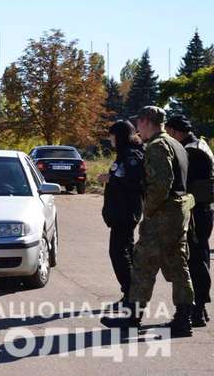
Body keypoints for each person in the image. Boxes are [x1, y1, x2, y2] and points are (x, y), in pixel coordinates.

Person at [102, 107, 195, 337]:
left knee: (143, 265)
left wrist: (149, 210)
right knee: (178, 265)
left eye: (139, 124)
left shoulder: (157, 146)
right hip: (179, 212)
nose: (138, 130)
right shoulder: (176, 144)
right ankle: (184, 319)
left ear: (145, 121)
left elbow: (161, 185)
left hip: (163, 214)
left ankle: (133, 319)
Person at [167, 115, 214, 327]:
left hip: (194, 211)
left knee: (194, 260)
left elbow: (184, 183)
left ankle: (196, 309)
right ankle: (199, 309)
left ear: (176, 131)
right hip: (201, 210)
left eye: (169, 132)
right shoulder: (200, 144)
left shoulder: (190, 150)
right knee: (199, 258)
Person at [99, 120, 144, 305]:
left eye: (112, 135)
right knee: (123, 252)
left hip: (125, 213)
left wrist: (112, 178)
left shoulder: (131, 154)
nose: (110, 139)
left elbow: (134, 182)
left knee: (119, 253)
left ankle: (131, 295)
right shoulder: (124, 154)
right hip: (120, 212)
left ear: (120, 136)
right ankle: (130, 294)